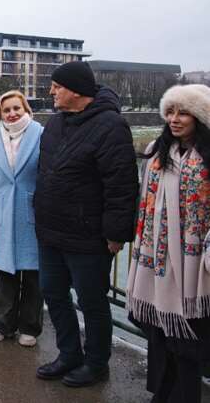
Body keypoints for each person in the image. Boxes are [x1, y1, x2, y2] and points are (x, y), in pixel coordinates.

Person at [35, 61, 139, 387]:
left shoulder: (111, 126)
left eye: (57, 86)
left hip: (88, 235)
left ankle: (96, 364)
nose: (51, 91)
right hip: (51, 230)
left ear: (77, 91)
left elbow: (121, 186)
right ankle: (69, 354)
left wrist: (116, 235)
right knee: (53, 292)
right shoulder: (55, 124)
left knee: (92, 301)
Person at [127, 84, 210, 403]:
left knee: (186, 336)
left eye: (184, 112)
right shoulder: (156, 153)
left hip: (194, 261)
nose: (175, 119)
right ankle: (164, 391)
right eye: (171, 112)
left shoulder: (204, 157)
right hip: (154, 256)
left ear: (199, 117)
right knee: (159, 330)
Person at [0, 91, 44, 345]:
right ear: (0, 113)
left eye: (17, 108)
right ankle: (2, 322)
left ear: (26, 109)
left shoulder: (40, 134)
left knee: (32, 271)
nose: (12, 113)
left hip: (32, 207)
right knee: (5, 268)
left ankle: (30, 326)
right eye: (7, 110)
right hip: (2, 209)